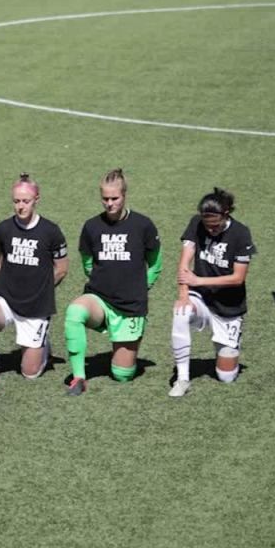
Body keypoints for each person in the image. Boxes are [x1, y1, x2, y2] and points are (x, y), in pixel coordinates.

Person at [63, 169, 161, 395]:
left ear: (124, 195)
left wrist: (141, 287)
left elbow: (155, 263)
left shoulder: (143, 225)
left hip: (130, 306)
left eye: (114, 198)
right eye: (105, 199)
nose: (109, 203)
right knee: (75, 313)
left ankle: (126, 349)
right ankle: (79, 377)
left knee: (122, 375)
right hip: (99, 298)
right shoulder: (91, 226)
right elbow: (88, 263)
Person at [0, 173, 67, 389]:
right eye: (16, 201)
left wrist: (38, 290)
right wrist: (13, 285)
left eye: (26, 201)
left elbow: (61, 269)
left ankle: (42, 345)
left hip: (36, 306)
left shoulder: (51, 231)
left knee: (30, 374)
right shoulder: (3, 230)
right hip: (6, 298)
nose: (21, 206)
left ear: (37, 199)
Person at [169, 188, 257, 397]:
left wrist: (199, 279)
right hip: (200, 298)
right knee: (180, 312)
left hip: (229, 306)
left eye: (215, 226)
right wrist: (183, 295)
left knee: (226, 377)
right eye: (207, 226)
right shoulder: (196, 223)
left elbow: (238, 278)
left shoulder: (241, 233)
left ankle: (227, 348)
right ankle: (182, 379)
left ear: (226, 214)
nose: (211, 231)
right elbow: (184, 263)